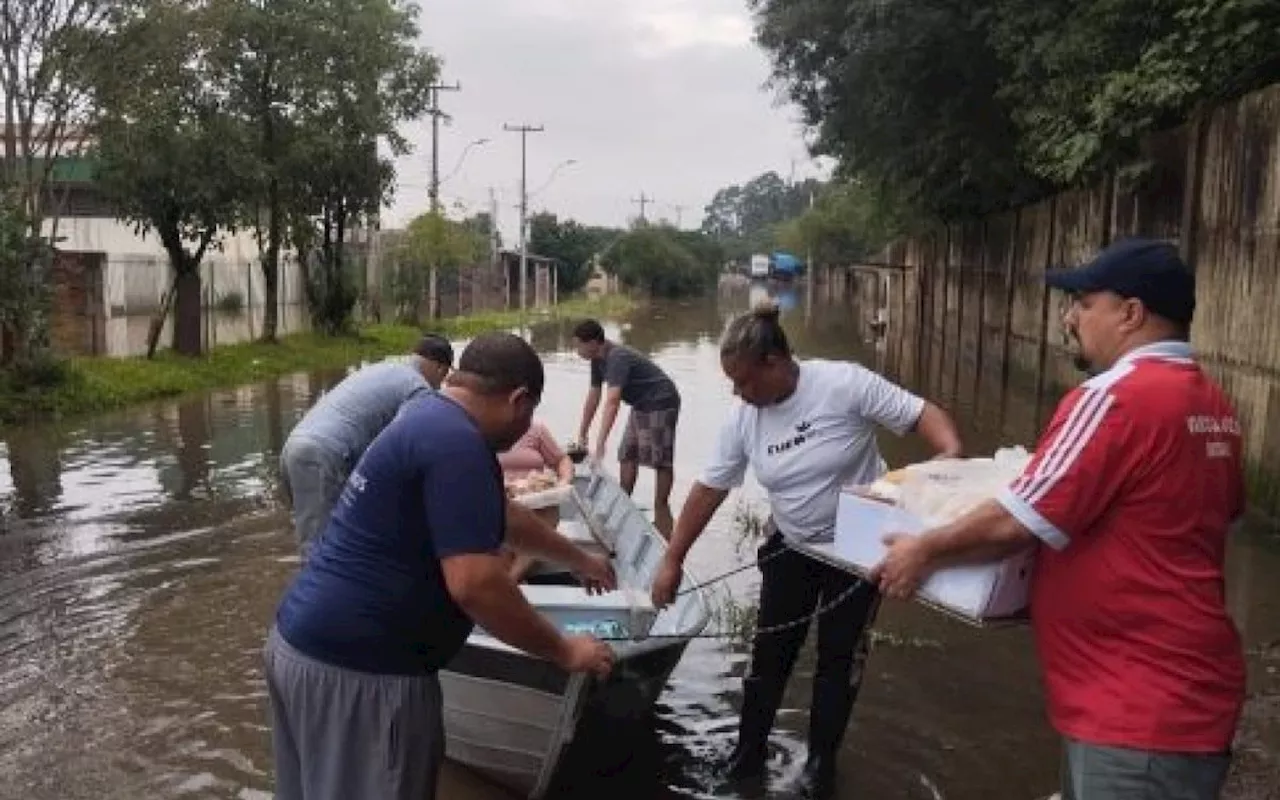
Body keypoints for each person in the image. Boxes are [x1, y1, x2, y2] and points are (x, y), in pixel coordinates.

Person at [872, 237, 1247, 800]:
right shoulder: (1212, 406)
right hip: (1181, 695)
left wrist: (923, 551)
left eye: (1081, 301)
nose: (1070, 318)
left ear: (1131, 313)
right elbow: (1196, 525)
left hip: (1134, 708)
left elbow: (1015, 521)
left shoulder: (1113, 398)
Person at [263, 332, 618, 800]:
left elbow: (505, 516)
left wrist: (580, 559)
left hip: (302, 650)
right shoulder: (459, 443)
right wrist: (565, 651)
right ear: (519, 400)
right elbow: (476, 585)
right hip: (365, 675)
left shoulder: (428, 419)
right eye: (529, 413)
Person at [650, 303, 963, 799]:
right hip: (792, 547)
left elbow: (925, 416)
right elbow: (710, 489)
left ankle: (821, 767)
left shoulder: (844, 384)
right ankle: (746, 757)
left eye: (745, 381)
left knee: (840, 659)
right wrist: (673, 559)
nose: (737, 393)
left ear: (775, 363)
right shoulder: (743, 419)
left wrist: (946, 464)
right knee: (769, 656)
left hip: (859, 552)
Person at [279, 334, 454, 561]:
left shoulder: (384, 369)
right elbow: (415, 445)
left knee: (331, 539)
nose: (438, 387)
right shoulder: (416, 387)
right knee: (322, 552)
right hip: (321, 456)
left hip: (295, 448)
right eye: (443, 379)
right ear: (441, 369)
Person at [572, 318, 682, 534]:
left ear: (594, 342)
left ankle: (661, 507)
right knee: (628, 454)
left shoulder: (617, 357)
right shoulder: (597, 360)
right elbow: (594, 396)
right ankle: (624, 501)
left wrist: (601, 442)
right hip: (640, 403)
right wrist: (583, 432)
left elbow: (612, 401)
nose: (576, 351)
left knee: (660, 460)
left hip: (661, 400)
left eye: (578, 345)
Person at [497, 419, 575, 581]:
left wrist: (564, 481)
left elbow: (562, 460)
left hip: (535, 497)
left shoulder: (536, 429)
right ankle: (509, 579)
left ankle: (512, 578)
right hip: (499, 500)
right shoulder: (482, 431)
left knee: (550, 509)